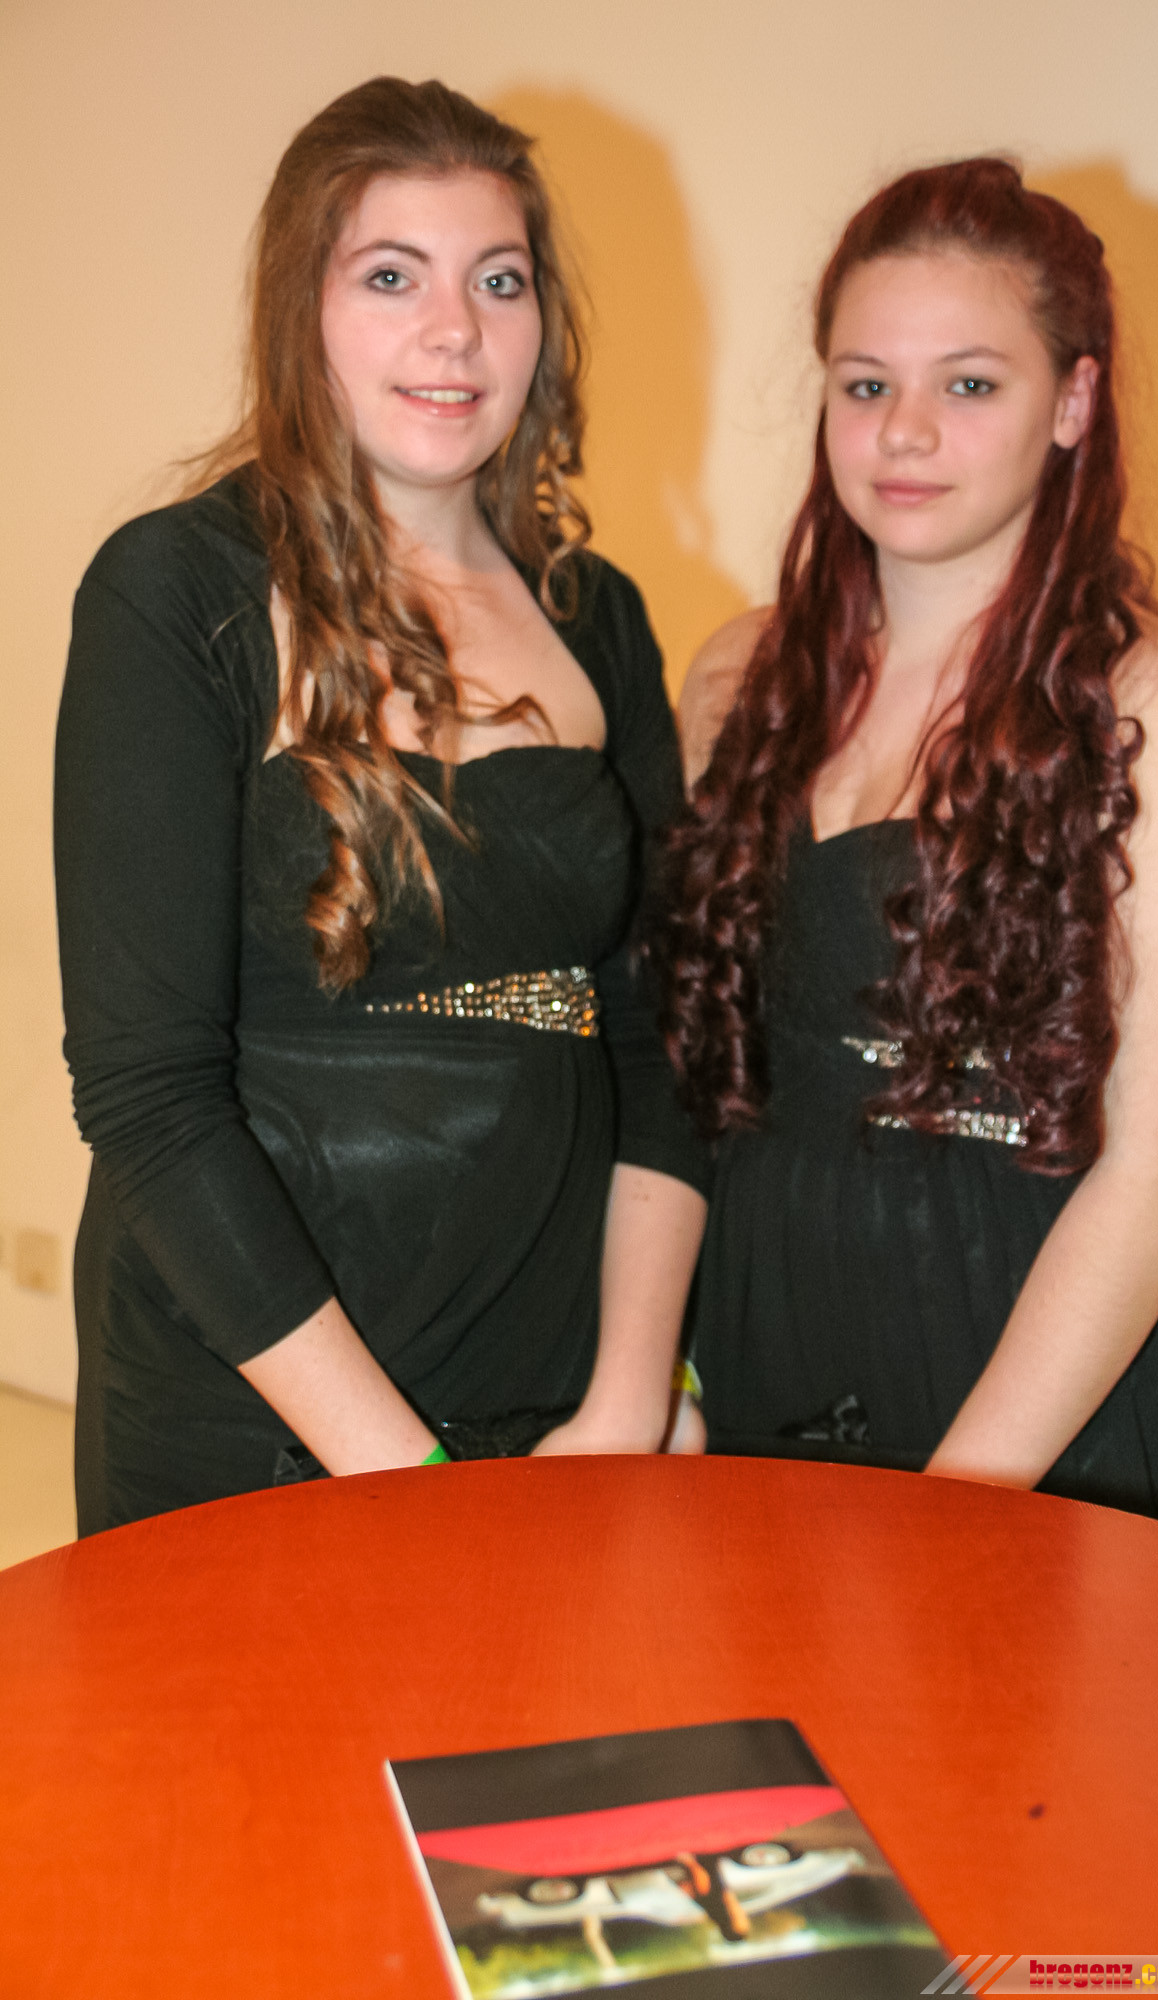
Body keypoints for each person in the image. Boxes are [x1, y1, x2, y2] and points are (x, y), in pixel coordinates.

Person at [55, 76, 708, 1534]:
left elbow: (663, 1041)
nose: (455, 331)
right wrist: (404, 1481)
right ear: (302, 311)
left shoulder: (596, 615)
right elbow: (149, 1098)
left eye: (499, 280)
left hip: (552, 1384)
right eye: (392, 277)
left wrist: (625, 1398)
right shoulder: (177, 592)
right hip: (259, 1409)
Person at [652, 157, 1158, 1552]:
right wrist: (673, 1371)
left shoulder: (1154, 705)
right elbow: (697, 1084)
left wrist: (958, 1512)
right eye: (866, 383)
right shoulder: (730, 680)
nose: (906, 432)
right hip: (769, 1351)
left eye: (971, 384)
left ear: (1072, 402)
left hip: (1044, 1402)